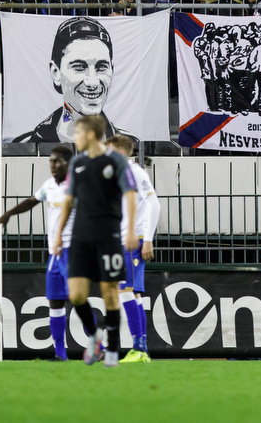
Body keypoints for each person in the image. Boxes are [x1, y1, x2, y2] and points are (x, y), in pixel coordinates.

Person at [51, 114, 139, 367]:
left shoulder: (115, 161)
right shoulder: (77, 163)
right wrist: (59, 234)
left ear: (89, 135)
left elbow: (131, 195)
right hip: (80, 238)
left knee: (110, 294)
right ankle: (95, 338)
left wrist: (130, 230)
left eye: (77, 133)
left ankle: (113, 349)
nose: (74, 138)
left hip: (108, 236)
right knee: (76, 295)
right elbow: (69, 200)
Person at [0, 146, 75, 361]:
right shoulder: (49, 185)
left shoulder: (77, 185)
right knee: (55, 301)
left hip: (73, 250)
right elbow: (32, 201)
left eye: (57, 161)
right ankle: (60, 354)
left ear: (68, 163)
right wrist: (8, 214)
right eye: (50, 161)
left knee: (79, 300)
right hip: (54, 253)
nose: (52, 166)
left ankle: (98, 346)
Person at [13, 17, 136, 143]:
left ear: (112, 70)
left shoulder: (130, 143)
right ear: (56, 73)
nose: (92, 82)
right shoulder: (26, 144)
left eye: (101, 67)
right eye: (79, 67)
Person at [105, 133, 160, 363]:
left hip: (132, 241)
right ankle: (142, 349)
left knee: (124, 291)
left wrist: (147, 238)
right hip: (120, 241)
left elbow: (154, 203)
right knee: (133, 293)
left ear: (118, 151)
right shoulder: (117, 175)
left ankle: (138, 348)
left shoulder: (135, 172)